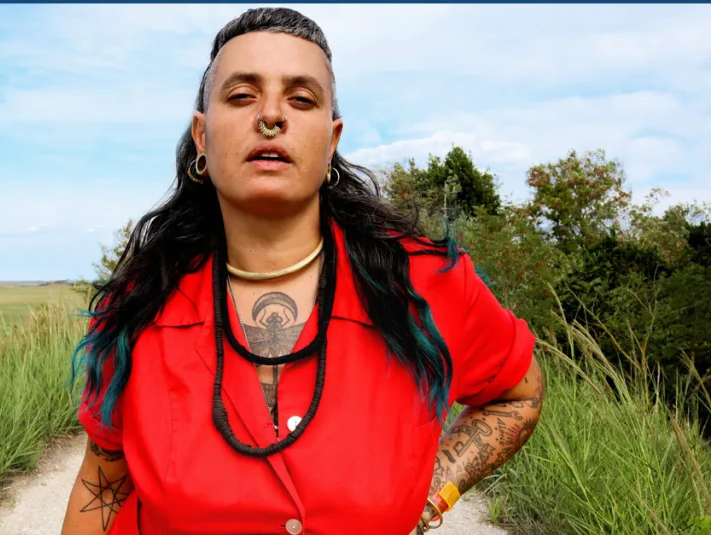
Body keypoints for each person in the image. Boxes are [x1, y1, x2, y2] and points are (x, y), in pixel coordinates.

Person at [60, 7, 545, 535]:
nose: (271, 116)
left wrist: (429, 493)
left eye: (301, 98)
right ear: (202, 136)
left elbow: (518, 394)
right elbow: (101, 482)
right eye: (242, 96)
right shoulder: (137, 307)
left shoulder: (426, 284)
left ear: (332, 140)